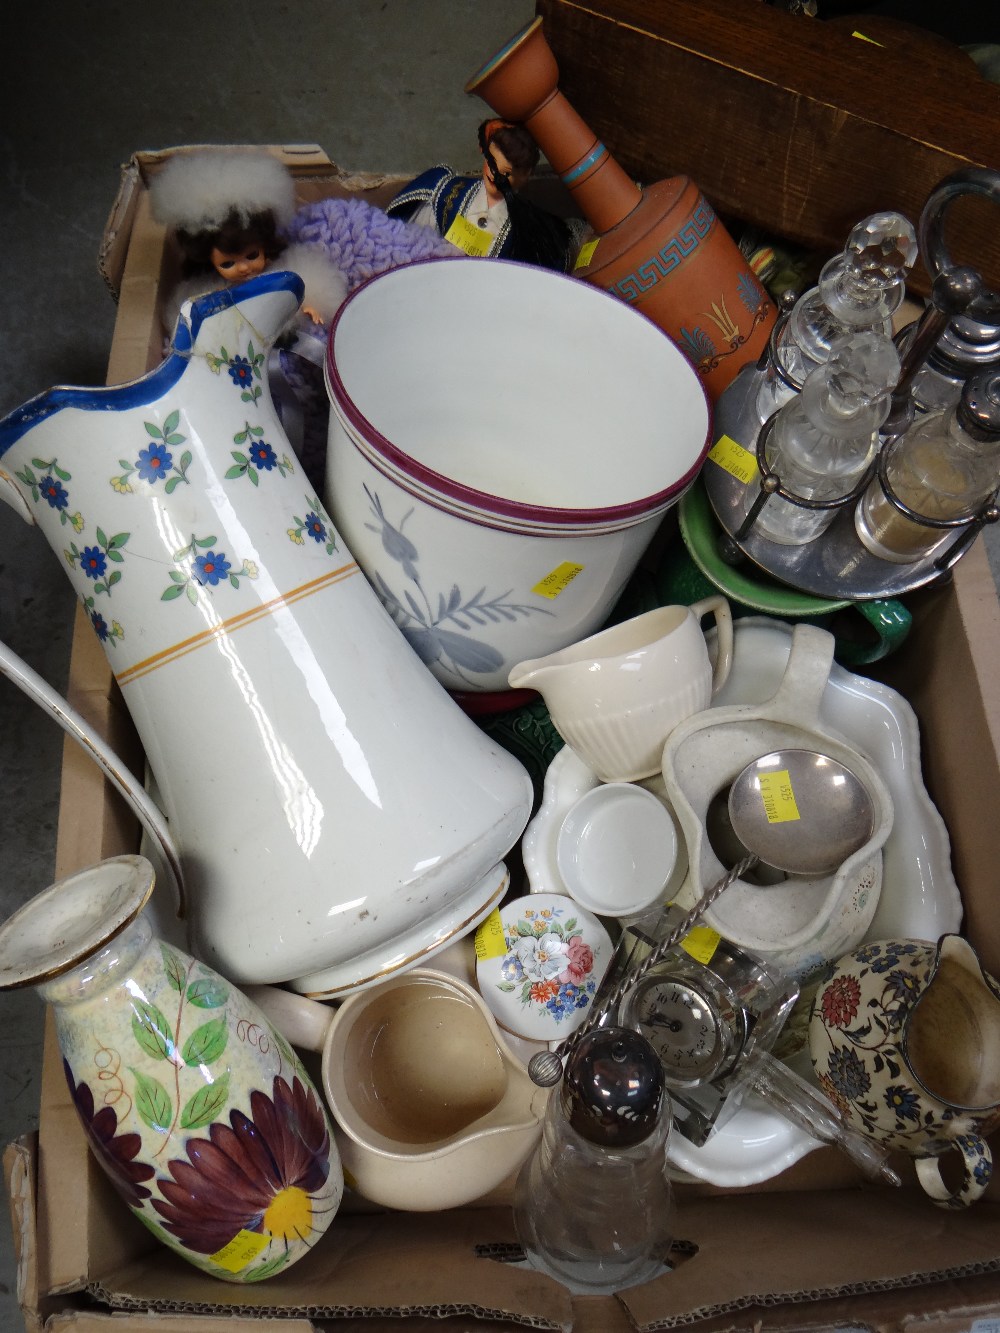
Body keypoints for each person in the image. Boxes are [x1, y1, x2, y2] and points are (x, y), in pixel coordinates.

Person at [386, 119, 575, 271]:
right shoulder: (447, 192)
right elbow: (410, 237)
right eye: (492, 164)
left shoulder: (523, 230)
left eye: (506, 173)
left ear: (526, 175)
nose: (495, 175)